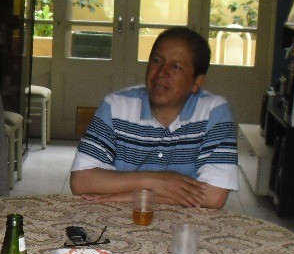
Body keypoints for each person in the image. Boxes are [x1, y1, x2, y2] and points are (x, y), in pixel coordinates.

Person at [70, 26, 239, 209]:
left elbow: (213, 197)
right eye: (156, 61)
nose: (161, 73)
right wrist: (156, 181)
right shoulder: (117, 106)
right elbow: (81, 180)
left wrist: (130, 195)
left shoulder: (214, 112)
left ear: (197, 82)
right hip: (121, 221)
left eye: (176, 67)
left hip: (186, 225)